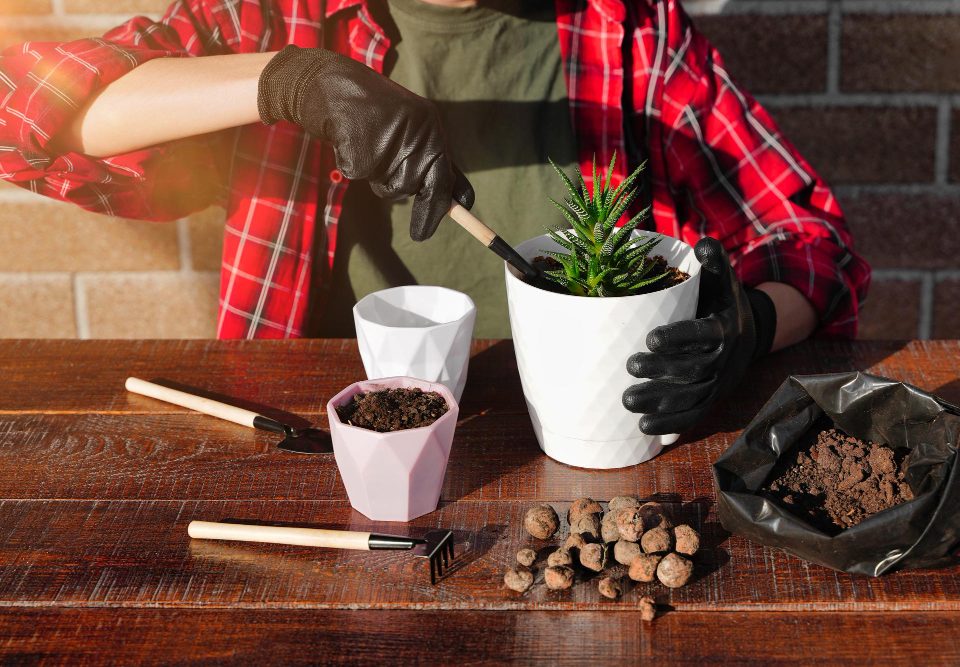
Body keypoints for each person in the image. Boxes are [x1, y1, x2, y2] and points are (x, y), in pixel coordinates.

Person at [0, 0, 870, 435]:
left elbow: (815, 245)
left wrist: (748, 324)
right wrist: (289, 83)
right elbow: (27, 113)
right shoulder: (290, 14)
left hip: (584, 437)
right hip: (335, 449)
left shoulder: (628, 31)